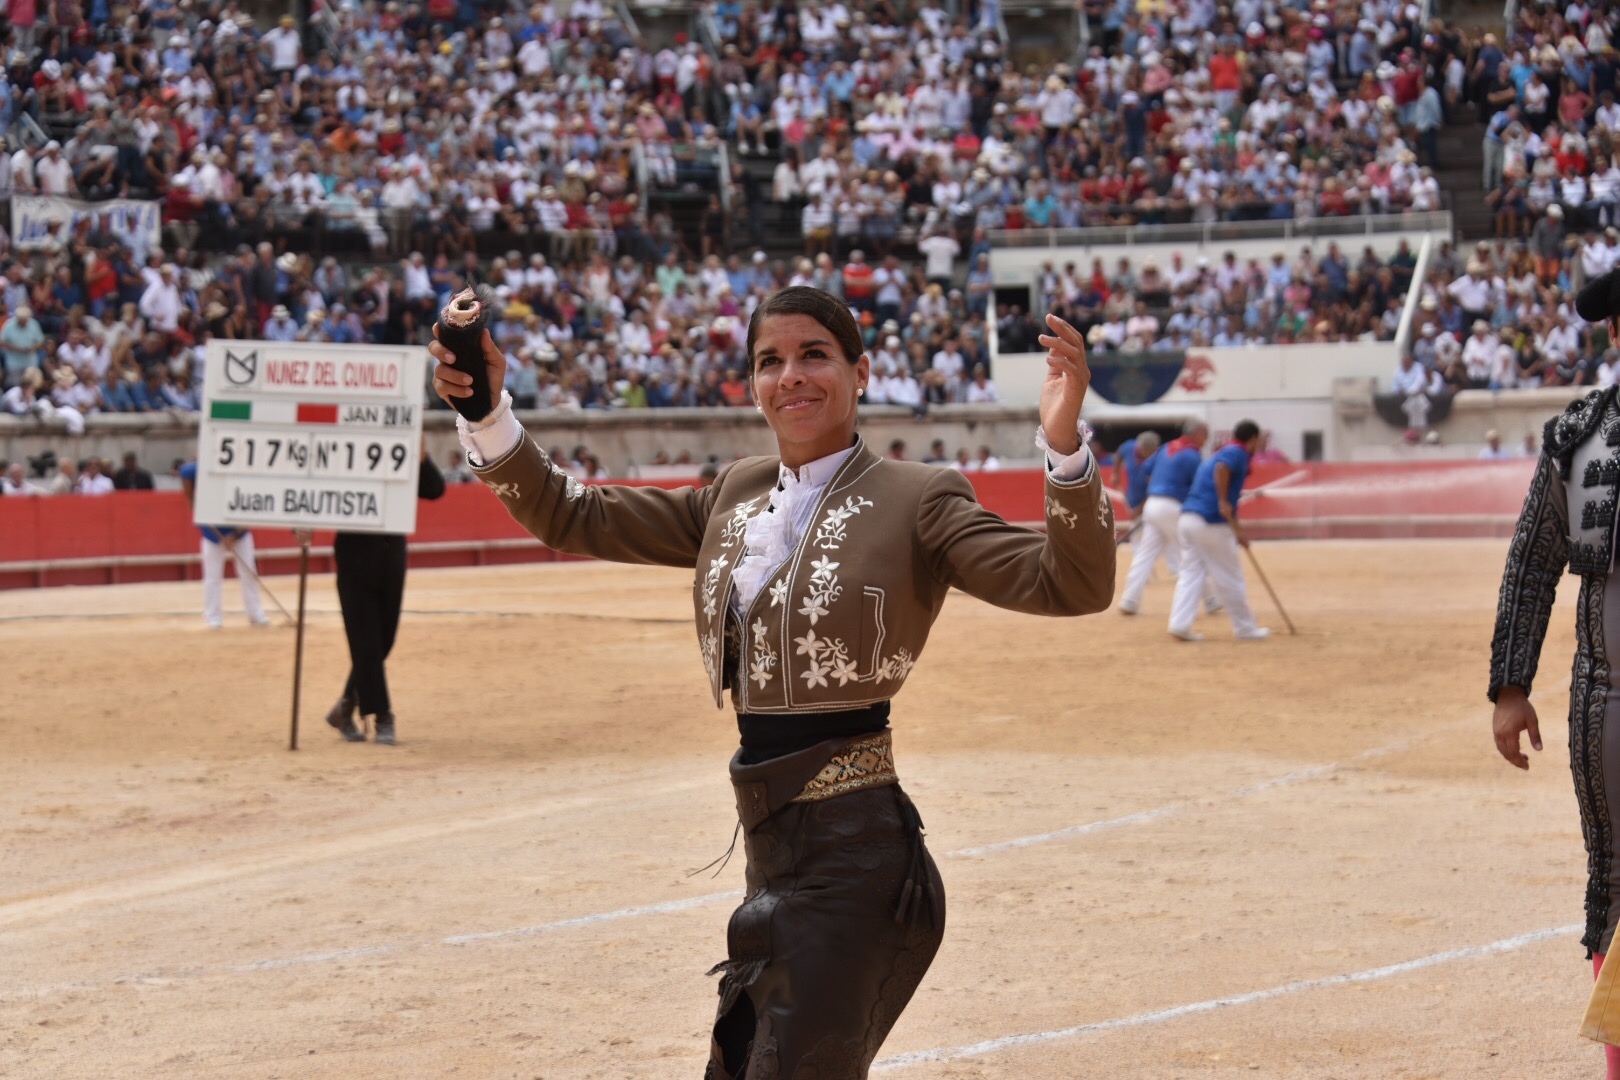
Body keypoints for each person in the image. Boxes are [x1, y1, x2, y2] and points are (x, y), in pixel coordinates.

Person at [429, 285, 1116, 1080]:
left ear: (861, 373)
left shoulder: (919, 499)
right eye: (770, 361)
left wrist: (1063, 448)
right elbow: (570, 514)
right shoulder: (735, 494)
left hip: (859, 867)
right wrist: (486, 414)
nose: (791, 375)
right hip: (771, 856)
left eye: (813, 355)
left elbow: (1069, 585)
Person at [1491, 267, 1620, 1077]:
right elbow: (1532, 565)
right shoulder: (1579, 433)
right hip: (1610, 698)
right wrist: (1511, 688)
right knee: (1617, 879)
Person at [316, 444, 446, 746]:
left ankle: (346, 705)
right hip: (353, 550)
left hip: (391, 549)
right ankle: (383, 716)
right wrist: (303, 525)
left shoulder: (401, 451)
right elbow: (317, 492)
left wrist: (423, 456)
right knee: (366, 639)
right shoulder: (342, 453)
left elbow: (435, 489)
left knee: (383, 638)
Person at [1167, 420, 1269, 642]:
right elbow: (1222, 469)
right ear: (1252, 439)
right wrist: (1223, 502)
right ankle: (1245, 628)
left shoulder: (1222, 451)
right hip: (1210, 521)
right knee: (1230, 576)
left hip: (1188, 519)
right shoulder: (1237, 452)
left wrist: (1238, 531)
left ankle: (1180, 624)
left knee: (1191, 574)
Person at [1119, 419, 1210, 617]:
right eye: (1205, 434)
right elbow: (1199, 484)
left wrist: (1159, 484)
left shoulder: (1166, 447)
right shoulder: (1192, 455)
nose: (1207, 439)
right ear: (1196, 434)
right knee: (1191, 553)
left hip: (1152, 504)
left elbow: (1146, 470)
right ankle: (1210, 599)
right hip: (1173, 506)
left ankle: (1129, 600)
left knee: (1144, 555)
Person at [178, 461, 270, 630]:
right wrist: (198, 513)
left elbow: (251, 512)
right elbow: (187, 482)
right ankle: (213, 617)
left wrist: (234, 535)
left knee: (248, 572)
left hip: (240, 533)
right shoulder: (197, 469)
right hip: (212, 533)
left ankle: (255, 614)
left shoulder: (244, 474)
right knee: (212, 577)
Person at [1110, 431, 1162, 521]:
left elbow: (1152, 491)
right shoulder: (1130, 447)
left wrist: (1138, 510)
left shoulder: (1158, 460)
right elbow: (1120, 452)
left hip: (1149, 503)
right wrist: (1115, 473)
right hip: (1133, 497)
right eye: (1144, 451)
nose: (1146, 455)